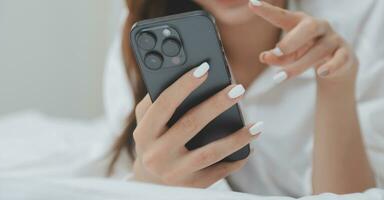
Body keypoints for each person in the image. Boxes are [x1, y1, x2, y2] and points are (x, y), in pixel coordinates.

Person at [104, 0, 384, 196]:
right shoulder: (144, 38)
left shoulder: (367, 20)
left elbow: (351, 195)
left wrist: (336, 85)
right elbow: (132, 173)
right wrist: (151, 179)